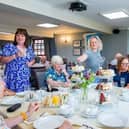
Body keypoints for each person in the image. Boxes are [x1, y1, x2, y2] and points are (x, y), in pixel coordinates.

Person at [1, 28, 35, 92]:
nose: (20, 37)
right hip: (12, 78)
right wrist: (15, 56)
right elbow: (2, 60)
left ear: (25, 37)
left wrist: (30, 63)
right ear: (15, 37)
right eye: (18, 35)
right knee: (12, 98)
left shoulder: (29, 48)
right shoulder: (9, 46)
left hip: (25, 77)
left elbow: (33, 59)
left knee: (24, 97)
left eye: (22, 36)